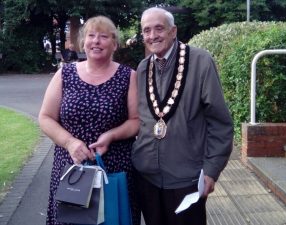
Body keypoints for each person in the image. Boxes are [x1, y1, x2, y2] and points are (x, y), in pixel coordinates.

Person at [132, 7, 234, 225]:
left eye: (159, 28)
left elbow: (220, 123)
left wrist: (212, 169)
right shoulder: (142, 69)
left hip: (186, 179)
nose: (152, 36)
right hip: (147, 178)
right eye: (146, 30)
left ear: (173, 31)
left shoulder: (200, 61)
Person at [39, 15, 140, 225]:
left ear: (114, 44)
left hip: (114, 169)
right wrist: (70, 142)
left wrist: (112, 135)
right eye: (91, 36)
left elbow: (136, 121)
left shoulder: (128, 76)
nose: (96, 41)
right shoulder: (64, 74)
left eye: (103, 36)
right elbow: (46, 118)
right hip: (71, 168)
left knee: (113, 219)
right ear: (83, 42)